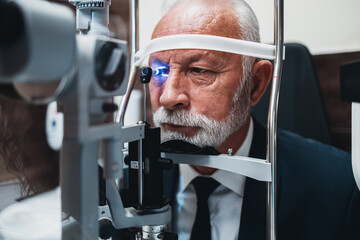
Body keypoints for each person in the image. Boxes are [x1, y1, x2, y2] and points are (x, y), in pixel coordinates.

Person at [147, 0, 360, 239]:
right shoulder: (133, 177)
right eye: (158, 71)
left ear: (256, 84)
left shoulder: (339, 189)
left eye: (199, 70)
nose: (168, 97)